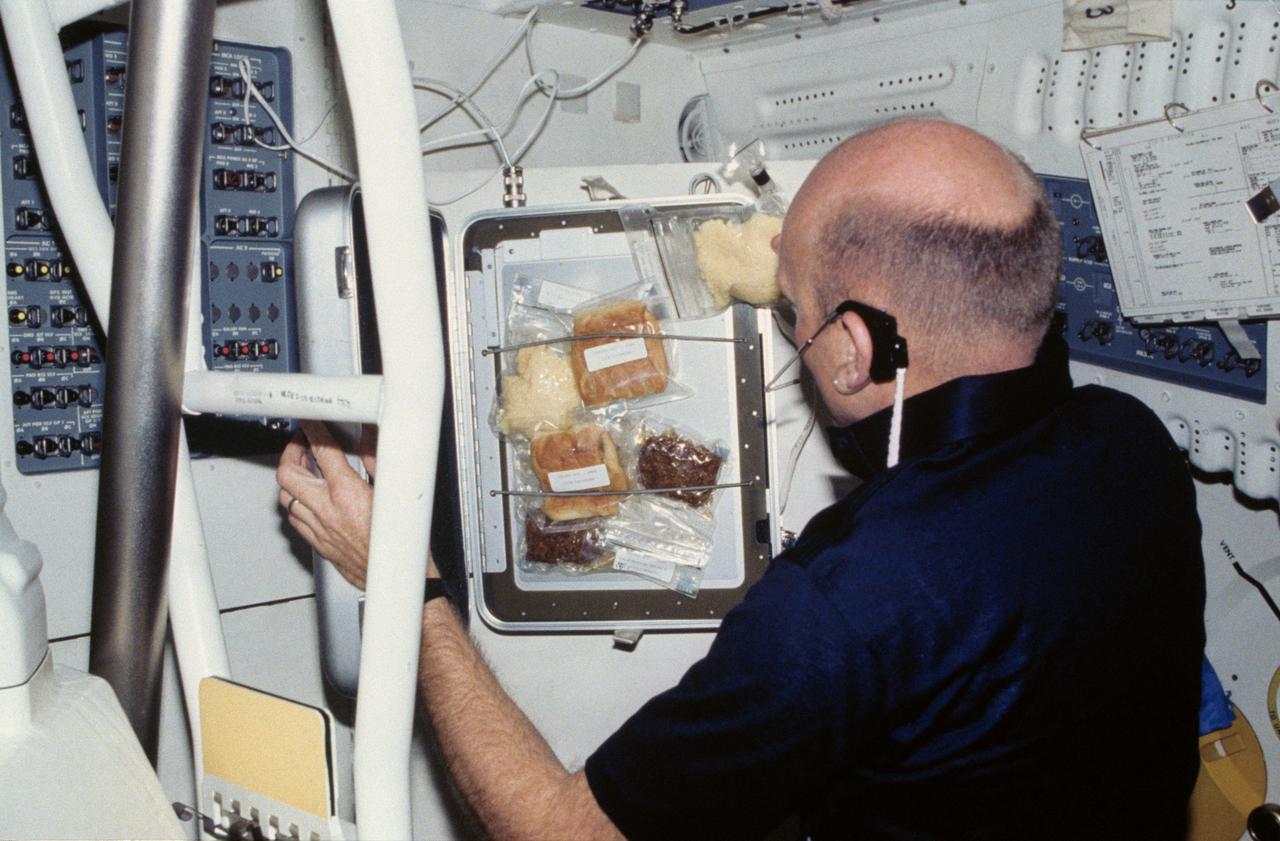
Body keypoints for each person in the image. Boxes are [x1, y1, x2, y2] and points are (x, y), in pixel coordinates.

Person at [277, 119, 1206, 840]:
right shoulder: (1139, 447)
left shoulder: (852, 595)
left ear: (852, 352)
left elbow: (558, 830)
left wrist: (406, 581)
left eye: (796, 314)